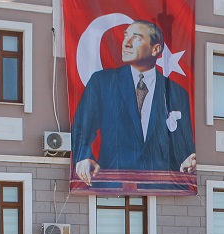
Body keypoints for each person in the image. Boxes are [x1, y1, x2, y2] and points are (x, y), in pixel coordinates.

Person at [71, 20, 196, 186]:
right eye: (125, 36)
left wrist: (188, 159)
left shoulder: (176, 92)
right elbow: (81, 129)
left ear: (156, 49)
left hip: (161, 187)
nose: (126, 44)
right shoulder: (103, 83)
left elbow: (184, 145)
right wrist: (83, 157)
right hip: (113, 185)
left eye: (136, 38)